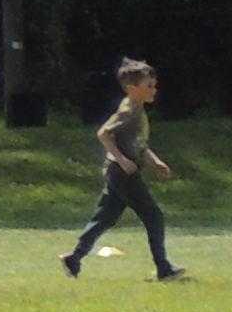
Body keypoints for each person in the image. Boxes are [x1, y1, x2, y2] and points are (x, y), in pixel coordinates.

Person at [63, 56, 187, 280]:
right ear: (132, 89)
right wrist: (122, 160)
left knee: (105, 218)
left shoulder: (138, 109)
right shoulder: (129, 110)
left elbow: (138, 145)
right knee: (154, 216)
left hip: (120, 173)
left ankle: (73, 258)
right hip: (122, 174)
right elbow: (103, 134)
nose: (154, 89)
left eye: (154, 85)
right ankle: (163, 268)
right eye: (149, 86)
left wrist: (155, 161)